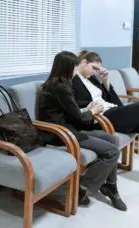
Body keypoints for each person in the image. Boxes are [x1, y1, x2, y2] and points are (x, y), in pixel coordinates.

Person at [73, 51, 139, 195]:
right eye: (94, 68)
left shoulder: (93, 79)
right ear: (83, 63)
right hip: (101, 118)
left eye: (97, 69)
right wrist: (91, 109)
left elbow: (116, 103)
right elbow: (75, 107)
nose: (95, 72)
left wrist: (106, 82)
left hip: (114, 113)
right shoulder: (73, 80)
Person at [38, 51, 127, 211]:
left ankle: (110, 186)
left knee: (113, 140)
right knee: (112, 152)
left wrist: (88, 109)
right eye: (74, 66)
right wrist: (91, 112)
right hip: (61, 134)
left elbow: (71, 109)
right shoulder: (60, 88)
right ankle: (82, 188)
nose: (76, 70)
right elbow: (79, 118)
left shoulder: (58, 84)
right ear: (67, 67)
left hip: (69, 129)